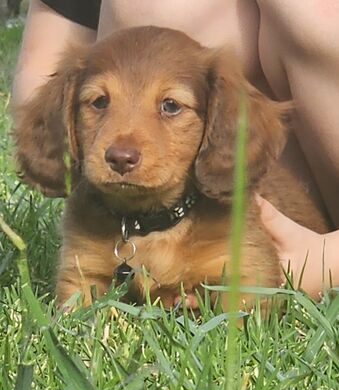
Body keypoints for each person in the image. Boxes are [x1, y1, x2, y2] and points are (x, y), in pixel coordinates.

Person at [12, 0, 339, 300]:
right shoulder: (86, 227)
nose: (121, 150)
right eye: (99, 101)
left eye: (170, 106)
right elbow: (39, 72)